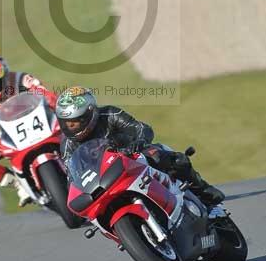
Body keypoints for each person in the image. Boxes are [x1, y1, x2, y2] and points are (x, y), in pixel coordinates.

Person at [55, 87, 224, 207]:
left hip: (133, 155)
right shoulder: (67, 145)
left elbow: (141, 128)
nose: (71, 127)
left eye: (76, 122)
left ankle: (201, 189)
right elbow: (72, 176)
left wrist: (137, 142)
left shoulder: (109, 114)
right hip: (105, 178)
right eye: (67, 123)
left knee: (169, 158)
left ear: (90, 113)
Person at [0, 55, 57, 206]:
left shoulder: (21, 79)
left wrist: (54, 104)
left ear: (6, 75)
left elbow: (46, 94)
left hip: (39, 121)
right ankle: (19, 184)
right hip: (8, 136)